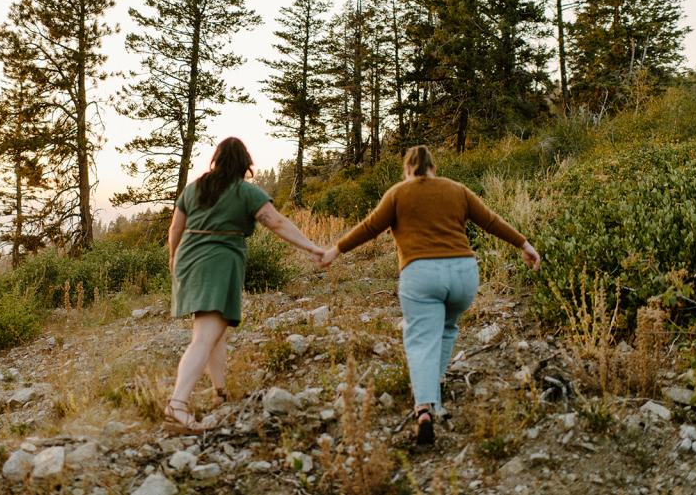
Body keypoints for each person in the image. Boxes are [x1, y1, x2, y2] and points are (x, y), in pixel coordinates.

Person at [319, 145, 540, 445]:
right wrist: (524, 245)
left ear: (408, 170)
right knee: (447, 327)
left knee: (422, 339)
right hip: (463, 273)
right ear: (433, 168)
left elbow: (370, 227)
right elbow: (490, 220)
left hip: (421, 274)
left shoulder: (398, 193)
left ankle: (424, 409)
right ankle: (435, 382)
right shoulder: (457, 190)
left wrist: (336, 250)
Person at [164, 137, 324, 434]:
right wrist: (311, 247)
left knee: (213, 329)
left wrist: (174, 259)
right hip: (218, 262)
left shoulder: (194, 188)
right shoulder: (245, 192)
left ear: (217, 160)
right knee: (205, 334)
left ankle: (219, 390)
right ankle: (177, 404)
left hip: (189, 260)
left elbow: (176, 228)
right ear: (244, 164)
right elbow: (276, 222)